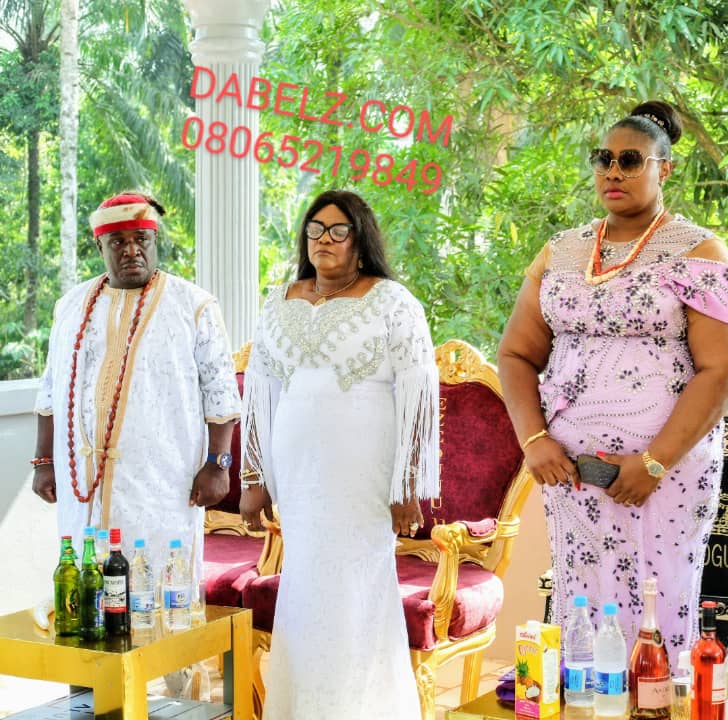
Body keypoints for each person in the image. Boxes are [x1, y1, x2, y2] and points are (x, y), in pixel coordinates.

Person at [497, 100, 728, 655]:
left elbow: (727, 367)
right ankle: (586, 699)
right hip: (570, 472)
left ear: (665, 169)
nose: (613, 172)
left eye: (630, 160)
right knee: (583, 604)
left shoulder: (699, 249)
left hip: (662, 474)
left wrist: (654, 463)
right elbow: (516, 354)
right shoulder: (561, 250)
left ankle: (656, 700)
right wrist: (534, 440)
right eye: (604, 159)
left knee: (654, 610)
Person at [238, 189, 438, 718]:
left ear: (360, 240)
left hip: (363, 475)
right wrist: (254, 479)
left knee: (356, 589)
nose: (324, 240)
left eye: (337, 230)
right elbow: (258, 392)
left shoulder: (393, 301)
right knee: (305, 588)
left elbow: (418, 394)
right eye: (315, 229)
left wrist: (406, 485)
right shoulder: (279, 300)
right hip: (298, 478)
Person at [33, 191, 241, 582]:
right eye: (118, 242)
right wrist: (44, 461)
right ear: (100, 247)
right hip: (84, 482)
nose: (132, 250)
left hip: (163, 478)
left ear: (154, 240)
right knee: (88, 580)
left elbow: (221, 394)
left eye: (141, 239)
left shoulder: (194, 305)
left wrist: (218, 465)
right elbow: (50, 390)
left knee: (160, 581)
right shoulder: (70, 305)